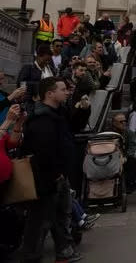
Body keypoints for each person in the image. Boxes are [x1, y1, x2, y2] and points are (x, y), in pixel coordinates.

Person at [19, 77, 81, 262]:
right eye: (63, 89)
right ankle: (31, 256)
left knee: (60, 216)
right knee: (40, 220)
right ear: (50, 93)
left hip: (57, 175)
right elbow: (43, 152)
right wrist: (56, 174)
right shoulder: (42, 120)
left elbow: (73, 127)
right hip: (46, 178)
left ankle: (64, 250)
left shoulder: (57, 113)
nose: (67, 92)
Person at [110, 112, 136, 193]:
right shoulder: (109, 132)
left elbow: (132, 146)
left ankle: (130, 185)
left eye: (125, 121)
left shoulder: (129, 133)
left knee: (132, 160)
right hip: (112, 156)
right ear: (114, 123)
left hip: (125, 156)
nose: (124, 123)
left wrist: (126, 156)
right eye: (121, 122)